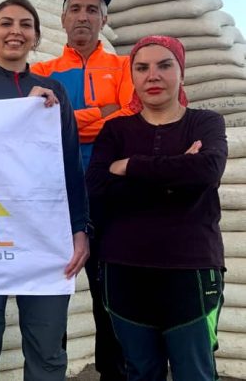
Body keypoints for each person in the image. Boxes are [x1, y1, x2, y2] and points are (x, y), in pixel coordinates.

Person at [0, 0, 89, 381]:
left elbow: (69, 163)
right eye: (6, 23)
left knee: (47, 345)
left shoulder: (54, 91)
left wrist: (80, 228)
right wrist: (20, 112)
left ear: (36, 37)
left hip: (44, 233)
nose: (16, 31)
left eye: (26, 24)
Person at [86, 35, 226, 381]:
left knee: (195, 372)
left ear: (181, 72)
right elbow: (98, 187)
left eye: (165, 65)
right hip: (124, 271)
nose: (153, 76)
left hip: (190, 270)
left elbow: (207, 170)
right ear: (132, 77)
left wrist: (129, 165)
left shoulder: (205, 123)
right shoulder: (116, 130)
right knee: (140, 372)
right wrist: (178, 170)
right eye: (142, 68)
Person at [32, 0, 133, 380]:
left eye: (92, 10)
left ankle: (113, 373)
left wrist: (69, 118)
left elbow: (127, 119)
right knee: (51, 294)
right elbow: (39, 123)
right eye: (75, 9)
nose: (83, 17)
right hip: (55, 193)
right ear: (62, 19)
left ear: (104, 20)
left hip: (109, 194)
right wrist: (101, 112)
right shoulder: (42, 70)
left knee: (109, 296)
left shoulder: (124, 67)